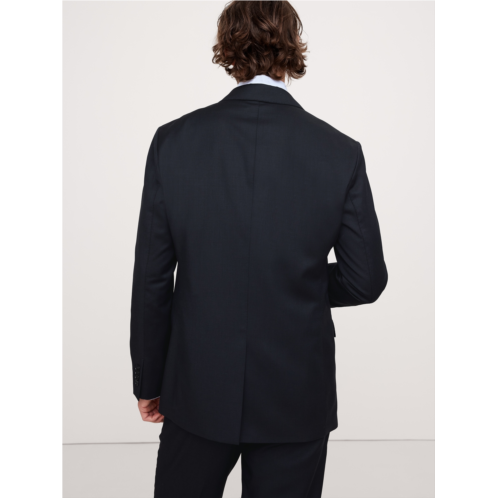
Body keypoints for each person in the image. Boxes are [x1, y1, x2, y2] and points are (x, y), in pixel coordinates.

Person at [130, 0, 388, 496]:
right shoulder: (339, 151)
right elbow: (365, 280)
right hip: (296, 395)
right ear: (293, 46)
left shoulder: (173, 142)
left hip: (196, 387)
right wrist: (297, 280)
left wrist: (148, 380)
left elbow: (152, 280)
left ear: (228, 49)